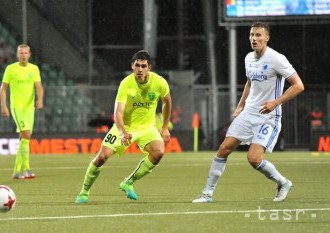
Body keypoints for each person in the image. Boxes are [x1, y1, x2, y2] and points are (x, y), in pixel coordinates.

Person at [192, 22, 304, 203]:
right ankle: (207, 194)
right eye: (252, 35)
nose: (254, 38)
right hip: (249, 113)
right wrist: (240, 105)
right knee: (223, 149)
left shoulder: (277, 59)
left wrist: (275, 103)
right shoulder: (248, 58)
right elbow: (250, 82)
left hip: (268, 117)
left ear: (267, 38)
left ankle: (283, 182)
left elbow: (298, 85)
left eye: (259, 35)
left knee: (253, 158)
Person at [75, 50, 172, 203]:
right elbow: (118, 112)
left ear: (149, 68)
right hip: (124, 126)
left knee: (159, 152)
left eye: (143, 66)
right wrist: (123, 132)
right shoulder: (126, 84)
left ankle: (128, 182)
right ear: (132, 66)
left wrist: (165, 127)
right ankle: (84, 192)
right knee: (102, 157)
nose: (140, 69)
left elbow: (167, 101)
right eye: (137, 66)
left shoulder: (159, 82)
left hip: (147, 127)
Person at [0, 44, 44, 179]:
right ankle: (27, 169)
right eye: (21, 53)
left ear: (29, 54)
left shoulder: (34, 69)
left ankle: (17, 171)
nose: (23, 55)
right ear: (17, 55)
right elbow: (3, 89)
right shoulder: (11, 69)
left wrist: (40, 99)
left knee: (24, 139)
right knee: (26, 135)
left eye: (26, 53)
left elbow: (39, 86)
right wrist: (4, 106)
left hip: (29, 108)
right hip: (17, 108)